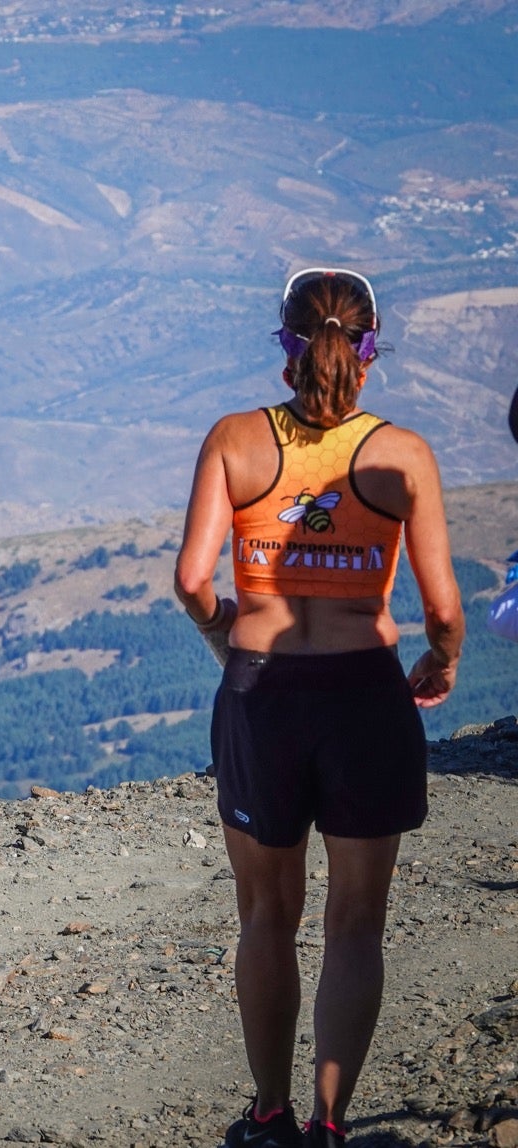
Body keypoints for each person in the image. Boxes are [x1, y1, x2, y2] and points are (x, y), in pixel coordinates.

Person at [174, 268, 464, 1148]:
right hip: (364, 694)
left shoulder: (235, 439)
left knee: (266, 915)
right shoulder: (402, 455)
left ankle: (269, 1114)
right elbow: (444, 610)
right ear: (368, 351)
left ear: (286, 347)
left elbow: (191, 580)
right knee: (356, 924)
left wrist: (224, 630)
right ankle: (331, 1125)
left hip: (262, 693)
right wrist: (442, 658)